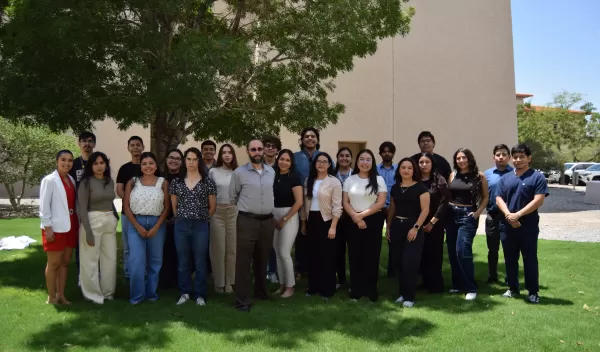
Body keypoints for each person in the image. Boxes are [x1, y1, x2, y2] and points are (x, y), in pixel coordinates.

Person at [496, 143, 548, 304]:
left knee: (530, 259)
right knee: (510, 258)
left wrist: (518, 215)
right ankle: (512, 288)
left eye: (521, 157)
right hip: (507, 225)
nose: (518, 160)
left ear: (529, 158)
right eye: (515, 157)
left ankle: (533, 292)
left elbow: (538, 200)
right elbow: (499, 198)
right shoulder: (505, 178)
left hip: (528, 226)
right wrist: (509, 215)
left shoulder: (537, 177)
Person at [229, 139, 276, 312]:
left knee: (262, 259)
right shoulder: (239, 173)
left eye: (260, 149)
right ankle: (242, 301)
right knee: (243, 261)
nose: (257, 152)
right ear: (248, 151)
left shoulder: (271, 171)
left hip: (267, 221)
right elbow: (233, 196)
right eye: (253, 149)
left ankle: (261, 293)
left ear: (264, 151)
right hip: (247, 221)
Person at [170, 147, 217, 306]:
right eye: (188, 159)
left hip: (200, 225)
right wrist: (181, 218)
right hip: (181, 225)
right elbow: (174, 206)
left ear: (199, 161)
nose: (191, 162)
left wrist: (203, 219)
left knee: (200, 261)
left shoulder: (207, 182)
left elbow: (212, 206)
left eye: (194, 159)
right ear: (185, 161)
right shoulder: (176, 182)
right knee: (183, 261)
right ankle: (184, 292)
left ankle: (200, 295)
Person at [123, 152, 170, 305]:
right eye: (144, 164)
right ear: (140, 166)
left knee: (155, 261)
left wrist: (157, 226)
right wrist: (137, 226)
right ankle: (137, 296)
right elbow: (126, 206)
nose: (148, 166)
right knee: (136, 261)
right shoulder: (132, 182)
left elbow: (167, 207)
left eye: (151, 163)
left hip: (157, 223)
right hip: (136, 222)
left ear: (156, 166)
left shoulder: (163, 182)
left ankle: (151, 294)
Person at [343, 149, 387, 302]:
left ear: (372, 162)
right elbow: (345, 202)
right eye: (362, 159)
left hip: (373, 221)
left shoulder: (379, 180)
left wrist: (362, 215)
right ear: (357, 162)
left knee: (371, 256)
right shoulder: (350, 180)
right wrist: (356, 217)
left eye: (368, 159)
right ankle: (356, 290)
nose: (365, 162)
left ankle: (370, 290)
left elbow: (381, 202)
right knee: (355, 255)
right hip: (353, 220)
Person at [446, 148, 489, 300]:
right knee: (452, 252)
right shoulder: (453, 175)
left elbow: (485, 197)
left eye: (464, 158)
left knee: (462, 251)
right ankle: (457, 285)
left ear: (469, 159)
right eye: (458, 158)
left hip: (468, 215)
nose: (461, 161)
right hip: (451, 215)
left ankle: (471, 287)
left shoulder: (479, 176)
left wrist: (478, 213)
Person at [386, 158, 430, 307]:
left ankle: (409, 297)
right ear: (399, 170)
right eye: (403, 167)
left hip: (413, 227)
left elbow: (425, 210)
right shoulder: (395, 188)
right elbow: (392, 208)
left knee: (409, 262)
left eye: (409, 168)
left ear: (414, 170)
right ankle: (402, 293)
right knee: (397, 262)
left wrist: (416, 227)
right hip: (397, 226)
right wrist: (389, 226)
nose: (406, 170)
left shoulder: (421, 188)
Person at [77, 152, 118, 304]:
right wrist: (87, 231)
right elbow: (81, 208)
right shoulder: (86, 182)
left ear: (106, 164)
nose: (99, 166)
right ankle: (93, 294)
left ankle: (108, 293)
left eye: (102, 163)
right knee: (90, 260)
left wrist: (115, 217)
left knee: (110, 259)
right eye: (95, 163)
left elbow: (110, 201)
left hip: (109, 221)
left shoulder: (109, 181)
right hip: (92, 221)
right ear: (91, 166)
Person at [39, 150, 78, 305]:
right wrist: (48, 228)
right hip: (55, 227)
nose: (66, 163)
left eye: (69, 160)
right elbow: (44, 207)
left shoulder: (71, 180)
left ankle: (61, 295)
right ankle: (51, 297)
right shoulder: (49, 180)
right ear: (57, 161)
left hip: (71, 224)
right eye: (63, 160)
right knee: (54, 263)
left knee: (65, 262)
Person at [300, 153, 341, 299]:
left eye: (325, 162)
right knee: (312, 256)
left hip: (327, 221)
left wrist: (333, 226)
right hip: (312, 221)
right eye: (319, 161)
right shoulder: (308, 181)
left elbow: (337, 206)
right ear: (315, 164)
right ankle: (313, 288)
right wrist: (304, 223)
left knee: (327, 257)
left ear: (329, 165)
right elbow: (305, 205)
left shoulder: (334, 182)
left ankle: (327, 290)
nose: (321, 164)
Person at [417, 153, 450, 293]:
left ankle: (436, 286)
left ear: (432, 164)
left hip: (435, 222)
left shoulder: (439, 179)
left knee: (434, 254)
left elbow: (445, 201)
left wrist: (432, 222)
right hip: (418, 221)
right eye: (421, 162)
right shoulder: (415, 179)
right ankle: (425, 282)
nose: (424, 165)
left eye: (427, 162)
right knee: (422, 253)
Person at [272, 149, 303, 298]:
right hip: (273, 214)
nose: (284, 162)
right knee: (277, 252)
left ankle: (290, 287)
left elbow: (299, 202)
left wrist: (284, 219)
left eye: (287, 160)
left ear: (291, 163)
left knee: (284, 252)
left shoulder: (295, 178)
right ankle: (282, 284)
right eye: (282, 159)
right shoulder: (273, 176)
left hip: (289, 215)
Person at [209, 144, 239, 294]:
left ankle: (230, 282)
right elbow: (208, 193)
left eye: (230, 152)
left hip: (233, 212)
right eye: (224, 153)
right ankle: (219, 282)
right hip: (217, 212)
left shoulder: (238, 172)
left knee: (232, 249)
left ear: (233, 155)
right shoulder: (213, 171)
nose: (227, 155)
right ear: (220, 155)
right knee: (218, 249)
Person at [293, 127, 322, 279]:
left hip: (319, 202)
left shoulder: (323, 157)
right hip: (299, 201)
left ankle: (315, 267)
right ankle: (299, 268)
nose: (310, 139)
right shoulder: (295, 157)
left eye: (313, 136)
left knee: (317, 235)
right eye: (306, 136)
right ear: (302, 140)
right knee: (301, 235)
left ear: (317, 139)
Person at [116, 136, 146, 280]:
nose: (135, 147)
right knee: (128, 246)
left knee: (145, 244)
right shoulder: (124, 169)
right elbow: (119, 189)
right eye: (132, 145)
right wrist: (130, 205)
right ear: (128, 148)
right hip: (127, 213)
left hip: (146, 212)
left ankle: (144, 273)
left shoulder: (149, 166)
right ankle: (129, 274)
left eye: (138, 145)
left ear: (143, 147)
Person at [68, 131, 96, 285]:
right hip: (79, 209)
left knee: (95, 241)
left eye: (90, 141)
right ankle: (81, 276)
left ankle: (95, 274)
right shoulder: (74, 164)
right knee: (81, 242)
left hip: (96, 208)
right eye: (84, 141)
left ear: (94, 144)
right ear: (78, 144)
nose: (87, 144)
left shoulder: (98, 162)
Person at [483, 144, 513, 284]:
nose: (501, 157)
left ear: (509, 157)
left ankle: (510, 277)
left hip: (509, 216)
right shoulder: (487, 174)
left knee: (510, 249)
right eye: (498, 154)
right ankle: (492, 276)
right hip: (492, 216)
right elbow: (483, 194)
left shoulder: (514, 173)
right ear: (493, 157)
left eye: (504, 154)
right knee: (492, 249)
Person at [159, 148, 184, 289]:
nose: (174, 160)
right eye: (171, 157)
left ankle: (178, 281)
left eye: (177, 158)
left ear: (181, 162)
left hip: (179, 221)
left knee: (178, 252)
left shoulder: (184, 179)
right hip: (162, 220)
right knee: (164, 252)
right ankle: (165, 281)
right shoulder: (160, 179)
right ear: (167, 160)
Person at [263, 135, 282, 284]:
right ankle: (262, 271)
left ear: (277, 150)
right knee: (262, 242)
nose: (270, 148)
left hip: (278, 207)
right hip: (260, 207)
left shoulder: (280, 167)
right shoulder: (257, 166)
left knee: (275, 243)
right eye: (267, 145)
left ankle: (273, 271)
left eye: (273, 146)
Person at [377, 141, 398, 278]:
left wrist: (390, 207)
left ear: (393, 153)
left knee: (394, 240)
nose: (387, 153)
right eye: (384, 151)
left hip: (395, 208)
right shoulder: (374, 169)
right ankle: (373, 270)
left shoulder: (399, 169)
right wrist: (382, 206)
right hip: (377, 209)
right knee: (375, 240)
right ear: (380, 153)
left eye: (389, 151)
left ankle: (393, 271)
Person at [334, 147, 353, 288]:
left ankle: (355, 279)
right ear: (337, 158)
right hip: (336, 217)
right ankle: (340, 279)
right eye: (341, 155)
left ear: (351, 159)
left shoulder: (356, 175)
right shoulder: (332, 174)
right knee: (338, 250)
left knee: (354, 249)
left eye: (347, 156)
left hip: (353, 216)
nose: (344, 158)